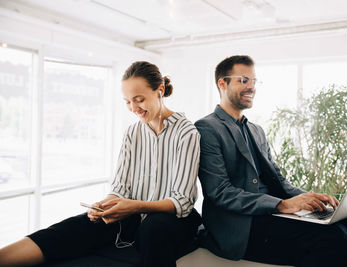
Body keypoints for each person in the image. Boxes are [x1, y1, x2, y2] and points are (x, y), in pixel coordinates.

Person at [194, 55, 347, 267]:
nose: (252, 87)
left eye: (254, 81)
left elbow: (279, 181)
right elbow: (219, 191)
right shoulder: (207, 128)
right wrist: (281, 205)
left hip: (272, 216)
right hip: (242, 226)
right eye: (243, 80)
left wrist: (308, 197)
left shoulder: (256, 130)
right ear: (222, 83)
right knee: (336, 237)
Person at [0, 61, 202, 267]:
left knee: (152, 229)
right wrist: (104, 205)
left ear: (159, 91)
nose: (133, 108)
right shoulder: (133, 133)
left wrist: (134, 207)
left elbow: (182, 201)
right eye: (127, 102)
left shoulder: (186, 133)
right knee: (81, 224)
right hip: (133, 216)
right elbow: (120, 188)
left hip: (173, 219)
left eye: (139, 100)